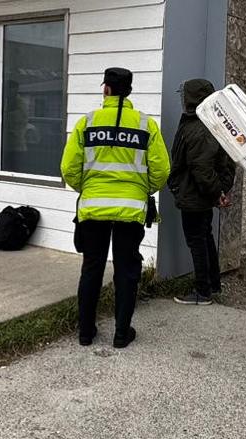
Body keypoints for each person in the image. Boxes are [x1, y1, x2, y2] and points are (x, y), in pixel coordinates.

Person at [61, 67, 170, 348]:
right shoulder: (145, 124)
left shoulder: (87, 122)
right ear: (129, 91)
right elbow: (161, 170)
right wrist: (142, 190)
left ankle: (86, 333)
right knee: (126, 269)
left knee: (92, 267)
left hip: (93, 208)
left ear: (106, 89)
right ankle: (122, 333)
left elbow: (68, 168)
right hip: (131, 209)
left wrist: (87, 189)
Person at [169, 78, 235, 306]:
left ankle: (203, 291)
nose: (181, 99)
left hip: (195, 195)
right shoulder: (207, 122)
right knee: (204, 238)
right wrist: (219, 191)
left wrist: (217, 192)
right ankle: (212, 284)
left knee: (197, 241)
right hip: (199, 193)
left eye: (184, 95)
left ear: (193, 98)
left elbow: (202, 168)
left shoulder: (198, 127)